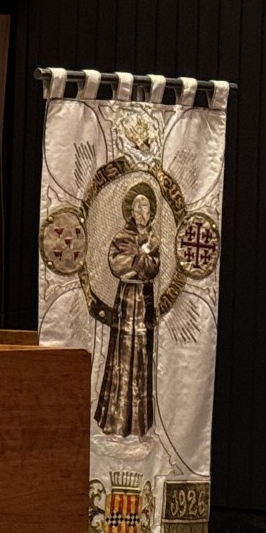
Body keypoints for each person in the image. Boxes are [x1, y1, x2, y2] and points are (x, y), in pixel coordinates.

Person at [94, 180, 160, 437]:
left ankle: (139, 424)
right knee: (122, 356)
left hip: (144, 302)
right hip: (125, 302)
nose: (142, 212)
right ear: (131, 212)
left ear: (151, 211)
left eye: (146, 207)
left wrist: (137, 261)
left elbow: (153, 269)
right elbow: (117, 267)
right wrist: (138, 262)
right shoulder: (121, 237)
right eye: (138, 207)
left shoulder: (154, 238)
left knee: (141, 356)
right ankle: (116, 420)